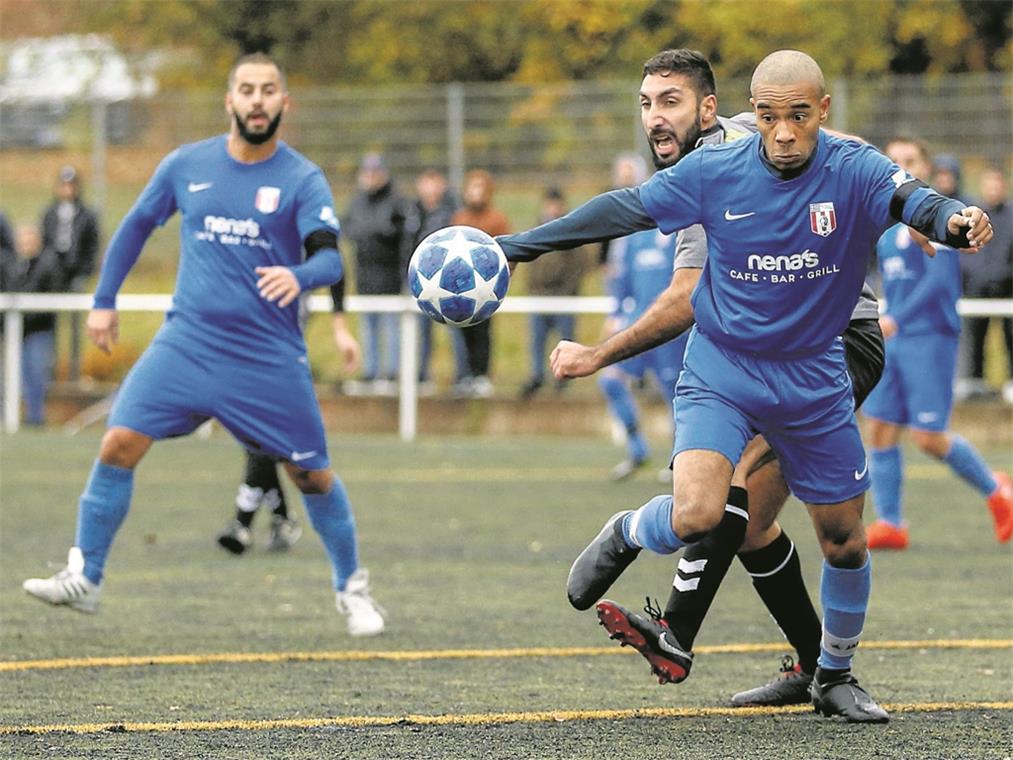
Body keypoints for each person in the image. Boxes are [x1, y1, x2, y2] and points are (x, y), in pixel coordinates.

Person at [499, 49, 992, 723]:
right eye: (768, 116)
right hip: (724, 367)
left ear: (819, 111)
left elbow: (913, 196)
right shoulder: (711, 170)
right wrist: (511, 247)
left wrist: (947, 220)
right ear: (748, 115)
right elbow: (624, 209)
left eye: (797, 116)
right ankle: (636, 539)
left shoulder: (849, 166)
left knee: (841, 538)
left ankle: (829, 672)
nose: (783, 132)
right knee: (704, 512)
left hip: (820, 366)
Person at [21, 52, 385, 636]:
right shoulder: (187, 165)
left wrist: (301, 276)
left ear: (283, 103)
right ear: (230, 100)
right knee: (117, 442)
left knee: (312, 476)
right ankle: (85, 577)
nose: (258, 99)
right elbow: (137, 226)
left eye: (269, 90)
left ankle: (352, 588)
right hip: (186, 344)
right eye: (247, 89)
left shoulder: (301, 179)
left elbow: (327, 257)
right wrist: (104, 300)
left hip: (267, 356)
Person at [863, 138, 1012, 549]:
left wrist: (896, 316)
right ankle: (891, 523)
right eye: (893, 160)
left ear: (925, 168)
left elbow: (938, 283)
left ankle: (998, 491)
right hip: (894, 339)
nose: (900, 166)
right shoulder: (887, 222)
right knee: (880, 427)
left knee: (928, 436)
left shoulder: (938, 216)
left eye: (909, 160)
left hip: (928, 338)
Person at [216, 276, 362, 555]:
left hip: (280, 342)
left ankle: (242, 520)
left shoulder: (301, 236)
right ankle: (280, 518)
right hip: (244, 331)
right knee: (254, 429)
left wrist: (340, 327)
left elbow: (332, 265)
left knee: (260, 427)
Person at [598, 226, 687, 480]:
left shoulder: (682, 233)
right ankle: (637, 449)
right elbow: (622, 281)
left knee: (677, 395)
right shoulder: (632, 237)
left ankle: (678, 460)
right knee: (610, 380)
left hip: (670, 329)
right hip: (636, 326)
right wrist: (615, 315)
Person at [343, 152, 408, 394]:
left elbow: (394, 232)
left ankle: (391, 375)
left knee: (391, 328)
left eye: (375, 172)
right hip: (364, 277)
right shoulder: (357, 201)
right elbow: (348, 228)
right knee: (368, 329)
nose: (370, 177)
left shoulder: (395, 201)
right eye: (367, 172)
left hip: (390, 277)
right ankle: (370, 374)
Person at [520, 187, 593, 399]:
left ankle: (563, 378)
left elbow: (580, 264)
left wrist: (567, 291)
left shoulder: (571, 229)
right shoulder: (536, 229)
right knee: (537, 340)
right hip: (539, 296)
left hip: (563, 297)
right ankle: (536, 375)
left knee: (566, 340)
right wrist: (533, 289)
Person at [450, 169, 510, 398]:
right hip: (459, 289)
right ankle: (464, 374)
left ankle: (481, 374)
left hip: (484, 289)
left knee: (483, 332)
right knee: (461, 333)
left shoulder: (496, 219)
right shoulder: (460, 218)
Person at [40, 165, 101, 380]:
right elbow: (44, 243)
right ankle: (51, 371)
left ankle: (74, 373)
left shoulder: (86, 215)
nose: (67, 189)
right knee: (52, 325)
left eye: (71, 185)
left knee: (76, 326)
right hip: (54, 275)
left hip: (76, 274)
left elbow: (92, 247)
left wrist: (85, 271)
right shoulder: (49, 214)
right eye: (63, 185)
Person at [957, 167, 1012, 403]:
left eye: (997, 184)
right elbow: (965, 252)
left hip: (1008, 288)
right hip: (977, 289)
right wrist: (976, 276)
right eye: (989, 184)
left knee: (1010, 337)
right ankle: (974, 384)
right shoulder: (972, 216)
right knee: (975, 337)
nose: (993, 189)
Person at [0, 224, 64, 425]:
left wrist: (27, 316)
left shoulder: (48, 264)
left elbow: (53, 297)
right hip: (11, 329)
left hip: (38, 330)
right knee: (9, 375)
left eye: (30, 239)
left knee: (35, 375)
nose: (26, 244)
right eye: (23, 240)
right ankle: (6, 418)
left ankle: (34, 419)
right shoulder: (10, 264)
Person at [403, 168, 459, 392]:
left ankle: (461, 376)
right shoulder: (412, 212)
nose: (429, 188)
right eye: (425, 182)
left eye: (433, 182)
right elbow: (406, 247)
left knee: (456, 330)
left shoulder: (452, 211)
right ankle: (423, 375)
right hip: (420, 284)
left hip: (449, 284)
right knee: (421, 333)